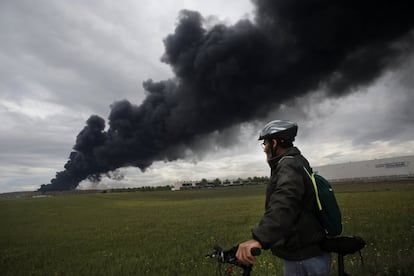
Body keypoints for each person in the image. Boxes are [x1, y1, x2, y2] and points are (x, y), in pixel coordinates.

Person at [236, 120, 331, 276]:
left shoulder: (288, 165)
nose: (264, 149)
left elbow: (285, 201)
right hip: (303, 250)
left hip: (304, 256)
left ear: (274, 143)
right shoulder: (297, 161)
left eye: (265, 144)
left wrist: (260, 238)